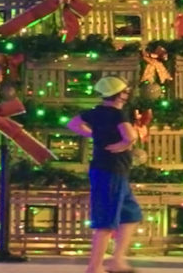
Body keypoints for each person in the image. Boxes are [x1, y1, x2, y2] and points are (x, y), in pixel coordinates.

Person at [66, 76, 143, 273]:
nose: (127, 95)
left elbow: (73, 124)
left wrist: (94, 135)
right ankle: (94, 267)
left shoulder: (95, 113)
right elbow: (131, 135)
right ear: (119, 95)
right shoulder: (118, 114)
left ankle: (117, 260)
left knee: (130, 214)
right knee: (107, 221)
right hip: (112, 170)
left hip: (109, 170)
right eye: (125, 91)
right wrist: (126, 143)